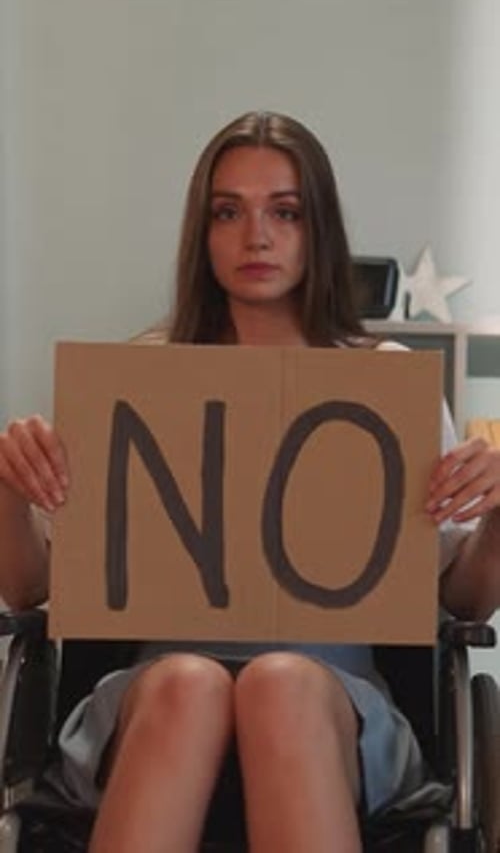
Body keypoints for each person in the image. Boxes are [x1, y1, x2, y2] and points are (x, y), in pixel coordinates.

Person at [0, 110, 499, 853]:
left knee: (281, 682)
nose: (256, 237)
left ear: (317, 228)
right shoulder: (140, 375)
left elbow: (463, 598)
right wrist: (9, 483)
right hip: (153, 693)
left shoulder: (387, 379)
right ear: (202, 235)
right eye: (227, 212)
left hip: (337, 697)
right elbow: (27, 589)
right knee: (188, 682)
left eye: (285, 212)